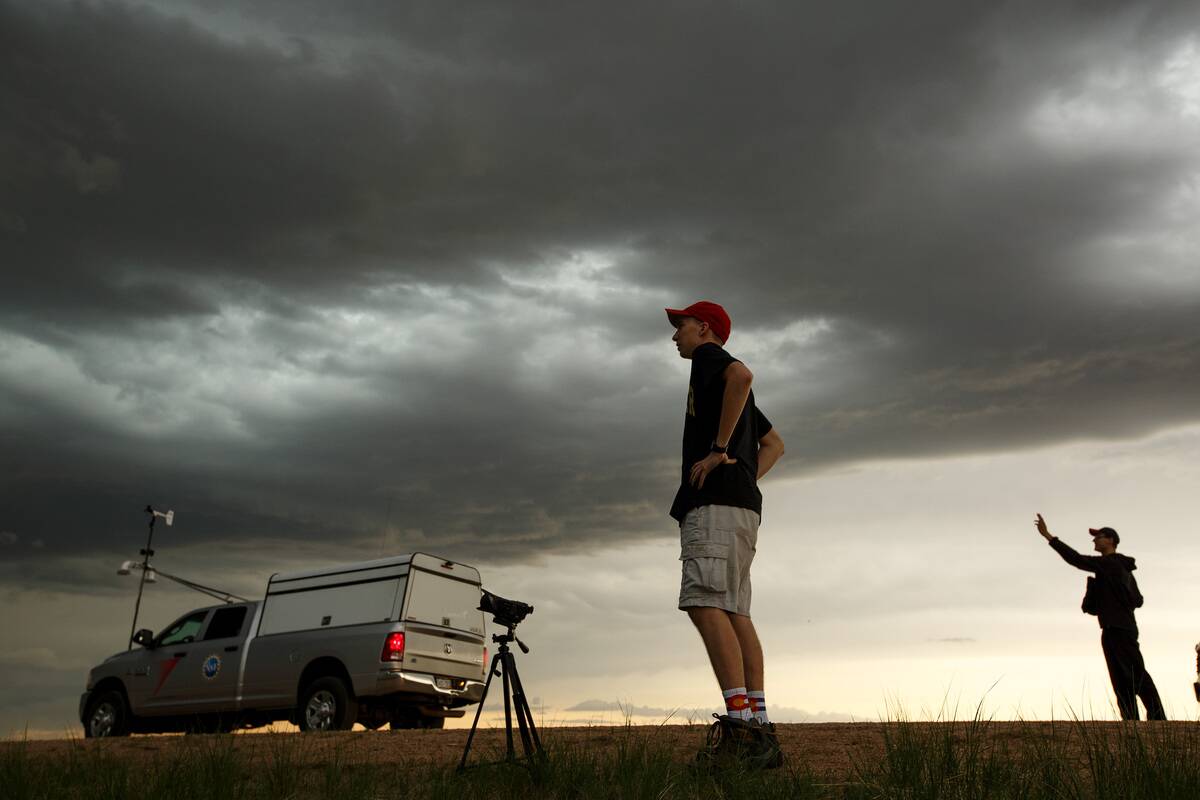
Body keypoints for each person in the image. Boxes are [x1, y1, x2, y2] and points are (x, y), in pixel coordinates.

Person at [666, 300, 786, 768]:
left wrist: (718, 453)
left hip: (715, 506)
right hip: (741, 508)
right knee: (735, 609)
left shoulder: (709, 361)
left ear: (704, 328)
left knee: (703, 601)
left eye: (681, 326)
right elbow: (775, 444)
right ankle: (757, 726)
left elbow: (743, 375)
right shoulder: (726, 395)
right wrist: (744, 478)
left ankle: (740, 732)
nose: (676, 335)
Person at [1035, 513, 1166, 721]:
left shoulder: (1112, 564)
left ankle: (1158, 720)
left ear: (1111, 541)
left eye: (1099, 536)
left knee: (1135, 673)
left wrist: (1049, 537)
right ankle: (1132, 721)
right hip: (1114, 628)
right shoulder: (1116, 569)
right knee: (1121, 678)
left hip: (1120, 628)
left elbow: (1076, 559)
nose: (1094, 540)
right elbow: (1135, 600)